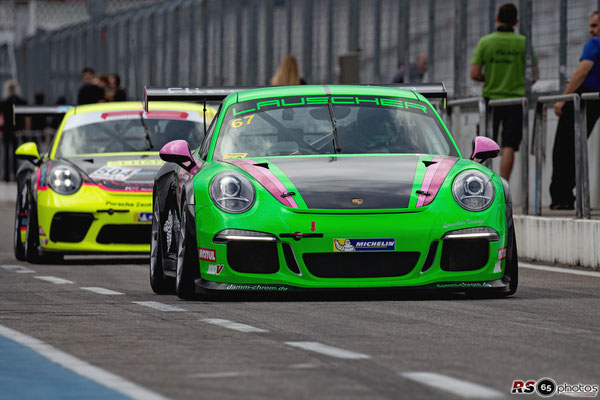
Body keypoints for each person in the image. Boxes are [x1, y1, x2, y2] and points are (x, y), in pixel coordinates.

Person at [470, 3, 539, 181]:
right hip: (515, 100)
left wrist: (492, 76)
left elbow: (474, 73)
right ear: (516, 21)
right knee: (509, 144)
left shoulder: (486, 42)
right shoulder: (524, 43)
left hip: (491, 99)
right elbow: (534, 75)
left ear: (497, 19)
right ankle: (503, 185)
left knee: (483, 143)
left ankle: (479, 183)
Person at [549, 11, 600, 210]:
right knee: (575, 146)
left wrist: (563, 99)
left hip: (583, 96)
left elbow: (582, 71)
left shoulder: (594, 44)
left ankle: (561, 196)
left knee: (564, 147)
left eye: (595, 25)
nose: (591, 30)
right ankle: (566, 193)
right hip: (594, 99)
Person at [0, 80, 27, 182]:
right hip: (13, 131)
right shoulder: (19, 102)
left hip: (11, 131)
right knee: (11, 154)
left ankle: (8, 176)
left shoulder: (5, 103)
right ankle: (11, 175)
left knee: (11, 154)